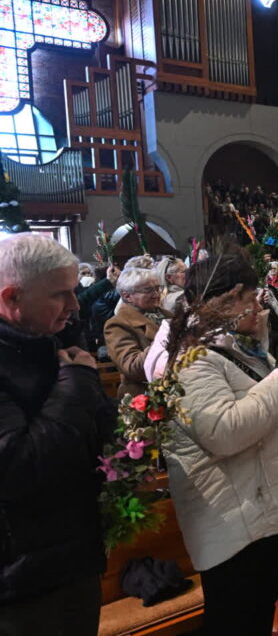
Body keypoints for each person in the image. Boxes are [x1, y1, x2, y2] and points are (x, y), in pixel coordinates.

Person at [161, 253, 278, 634]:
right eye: (250, 297)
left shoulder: (234, 347)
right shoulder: (192, 359)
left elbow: (273, 412)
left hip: (261, 510)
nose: (257, 306)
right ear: (229, 297)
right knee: (237, 621)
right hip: (233, 522)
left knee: (257, 616)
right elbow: (224, 432)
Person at [0, 234, 116, 635]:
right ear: (12, 298)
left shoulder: (54, 343)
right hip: (21, 584)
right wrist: (78, 382)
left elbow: (90, 433)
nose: (75, 305)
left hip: (72, 559)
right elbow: (21, 466)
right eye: (60, 294)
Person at [104, 268, 171, 399]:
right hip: (144, 398)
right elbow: (132, 368)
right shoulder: (117, 324)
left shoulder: (167, 315)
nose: (157, 295)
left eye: (158, 288)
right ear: (127, 296)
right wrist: (164, 337)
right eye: (148, 290)